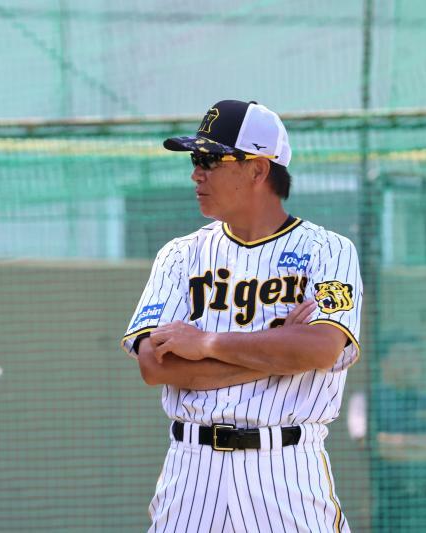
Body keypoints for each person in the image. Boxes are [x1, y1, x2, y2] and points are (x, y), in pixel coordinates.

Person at [121, 100, 363, 532]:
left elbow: (321, 349)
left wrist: (207, 345)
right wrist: (278, 354)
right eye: (196, 159)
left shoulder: (328, 251)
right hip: (192, 471)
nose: (197, 172)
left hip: (286, 468)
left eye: (212, 159)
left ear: (258, 169)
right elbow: (155, 366)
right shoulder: (180, 255)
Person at [372, 334, 426, 531]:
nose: (411, 362)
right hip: (383, 504)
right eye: (403, 354)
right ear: (384, 361)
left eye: (415, 355)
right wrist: (423, 446)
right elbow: (370, 444)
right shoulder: (367, 400)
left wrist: (393, 444)